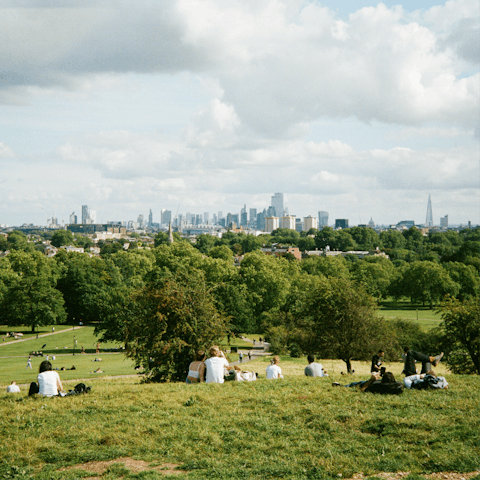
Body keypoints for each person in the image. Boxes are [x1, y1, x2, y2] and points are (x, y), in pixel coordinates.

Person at [333, 371, 403, 395]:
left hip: (366, 383)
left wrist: (371, 380)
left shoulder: (378, 387)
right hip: (373, 382)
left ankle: (341, 386)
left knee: (354, 384)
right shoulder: (396, 386)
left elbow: (362, 390)